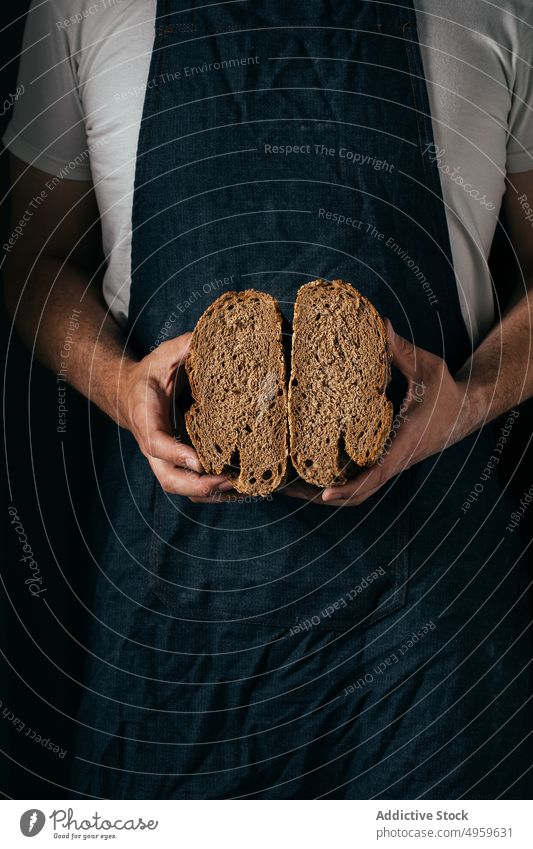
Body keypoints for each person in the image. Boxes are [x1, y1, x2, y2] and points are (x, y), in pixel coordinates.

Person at [3, 0, 533, 799]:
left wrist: (468, 399)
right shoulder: (79, 7)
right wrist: (122, 387)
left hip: (435, 609)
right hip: (176, 606)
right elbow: (32, 254)